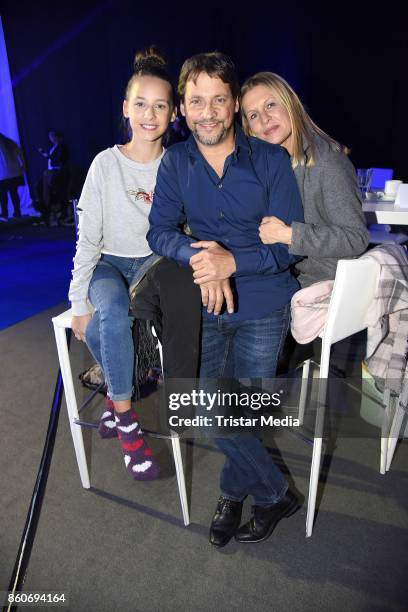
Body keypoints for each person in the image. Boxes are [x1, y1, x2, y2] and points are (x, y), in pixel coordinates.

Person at [148, 52, 304, 546]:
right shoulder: (176, 162)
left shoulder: (271, 160)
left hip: (264, 301)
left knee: (242, 414)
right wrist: (203, 256)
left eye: (219, 100)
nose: (208, 112)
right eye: (197, 101)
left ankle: (233, 493)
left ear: (234, 104)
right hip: (207, 303)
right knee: (209, 410)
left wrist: (233, 262)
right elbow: (159, 231)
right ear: (183, 109)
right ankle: (277, 491)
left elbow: (285, 247)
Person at [68, 47, 176, 481]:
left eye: (160, 105)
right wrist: (78, 299)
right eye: (140, 103)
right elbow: (87, 238)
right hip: (109, 264)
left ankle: (114, 402)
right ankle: (129, 425)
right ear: (125, 109)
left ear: (174, 113)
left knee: (105, 329)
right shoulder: (104, 164)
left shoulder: (177, 164)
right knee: (105, 314)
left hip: (154, 266)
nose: (149, 114)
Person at [240, 72, 369, 288]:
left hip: (324, 290)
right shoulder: (270, 168)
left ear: (290, 103)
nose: (264, 119)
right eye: (253, 115)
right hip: (284, 280)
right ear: (249, 129)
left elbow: (356, 238)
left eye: (270, 105)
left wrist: (288, 234)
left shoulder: (327, 160)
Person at [36, 131, 69, 226]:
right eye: (50, 137)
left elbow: (60, 160)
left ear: (58, 137)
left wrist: (49, 157)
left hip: (57, 172)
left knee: (52, 191)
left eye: (53, 137)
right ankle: (46, 211)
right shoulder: (54, 147)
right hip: (51, 171)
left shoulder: (62, 147)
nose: (51, 139)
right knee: (40, 188)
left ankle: (54, 213)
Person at [0, 133, 25, 221]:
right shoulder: (9, 142)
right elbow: (20, 153)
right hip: (13, 173)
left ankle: (5, 214)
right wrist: (23, 165)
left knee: (3, 196)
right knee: (13, 193)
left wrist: (23, 165)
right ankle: (17, 212)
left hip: (3, 175)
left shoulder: (8, 143)